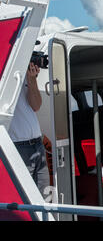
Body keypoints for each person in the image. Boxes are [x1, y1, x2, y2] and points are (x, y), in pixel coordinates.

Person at [8, 62, 50, 198]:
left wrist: (32, 79)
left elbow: (36, 105)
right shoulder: (6, 77)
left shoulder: (24, 76)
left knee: (45, 198)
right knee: (25, 197)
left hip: (38, 144)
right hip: (18, 147)